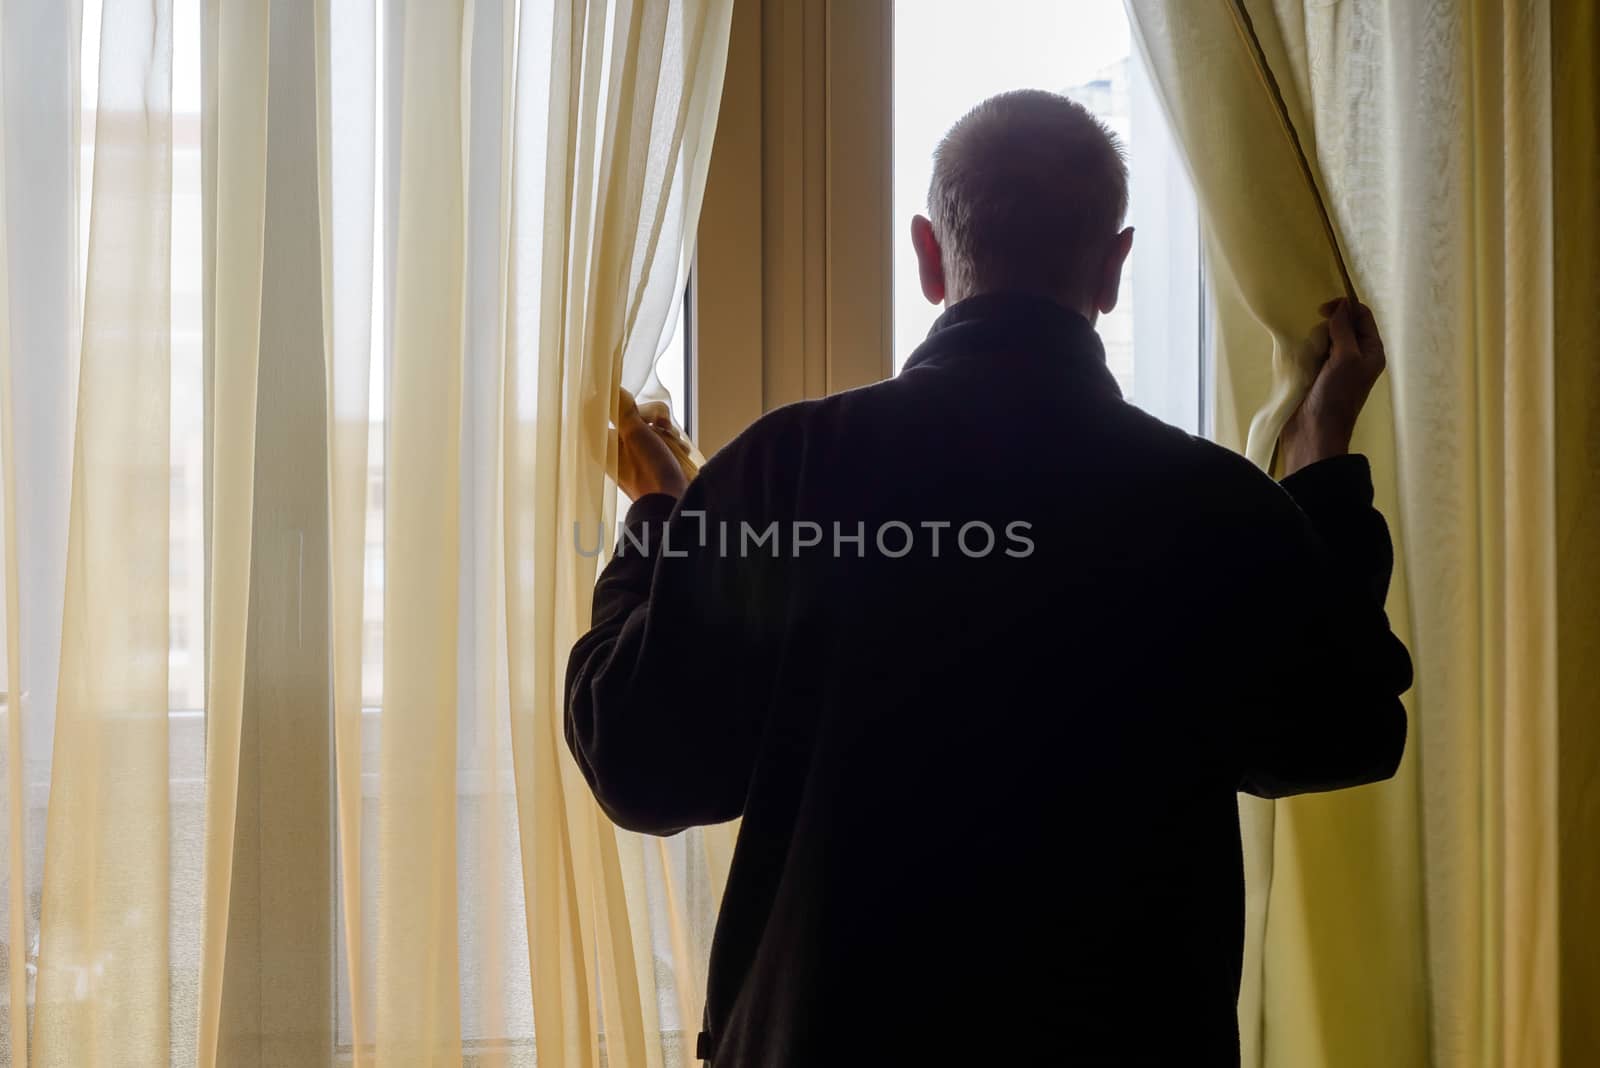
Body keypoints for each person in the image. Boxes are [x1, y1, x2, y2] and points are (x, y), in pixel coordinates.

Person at [566, 89, 1410, 1066]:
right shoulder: (1215, 506)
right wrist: (1321, 472)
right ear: (1113, 265)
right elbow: (1340, 732)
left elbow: (642, 764)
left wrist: (662, 519)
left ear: (927, 255)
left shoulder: (788, 471)